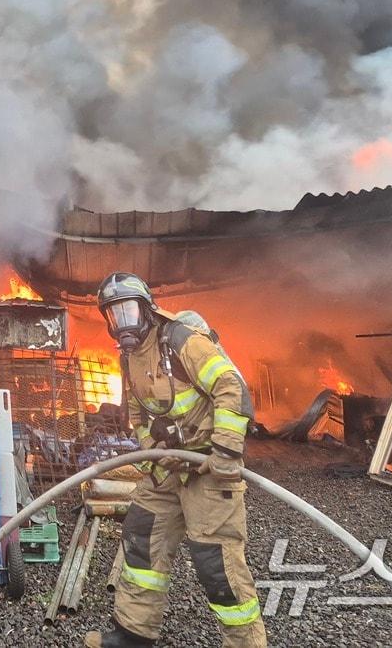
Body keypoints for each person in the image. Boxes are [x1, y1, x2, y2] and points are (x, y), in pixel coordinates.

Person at [85, 272, 265, 648]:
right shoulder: (129, 357)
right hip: (169, 470)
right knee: (140, 542)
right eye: (114, 315)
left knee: (217, 566)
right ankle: (132, 634)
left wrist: (226, 453)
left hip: (209, 469)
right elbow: (136, 413)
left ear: (147, 308)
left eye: (129, 311)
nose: (123, 323)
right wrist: (154, 453)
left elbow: (231, 386)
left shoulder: (180, 339)